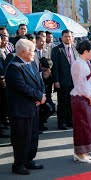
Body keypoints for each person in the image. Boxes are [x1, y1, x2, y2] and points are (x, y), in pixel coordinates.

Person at [5, 39, 46, 175]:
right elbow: (22, 87)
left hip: (34, 107)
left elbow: (40, 81)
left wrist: (42, 96)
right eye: (31, 50)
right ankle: (19, 164)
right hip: (21, 110)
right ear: (23, 51)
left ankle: (29, 160)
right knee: (22, 138)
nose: (34, 53)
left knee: (33, 136)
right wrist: (39, 96)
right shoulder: (14, 66)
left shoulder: (32, 63)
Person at [70, 40, 91, 162]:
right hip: (80, 98)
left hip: (87, 97)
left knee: (88, 126)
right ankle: (79, 153)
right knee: (81, 126)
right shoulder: (77, 63)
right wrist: (90, 97)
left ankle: (83, 151)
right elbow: (79, 85)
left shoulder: (86, 62)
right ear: (86, 51)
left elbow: (89, 82)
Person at [51, 30, 77, 130]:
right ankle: (61, 123)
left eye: (69, 36)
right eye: (66, 36)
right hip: (62, 81)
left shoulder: (75, 49)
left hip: (73, 81)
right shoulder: (57, 50)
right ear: (62, 37)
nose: (68, 38)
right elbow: (55, 67)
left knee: (71, 102)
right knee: (62, 103)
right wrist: (56, 80)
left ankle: (70, 121)